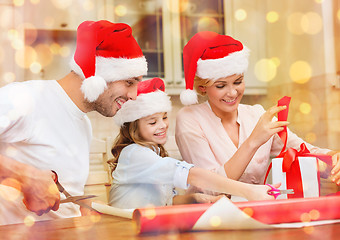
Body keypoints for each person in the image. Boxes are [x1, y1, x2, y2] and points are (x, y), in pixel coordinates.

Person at [0, 20, 148, 225]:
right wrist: (25, 177)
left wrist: (83, 212)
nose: (133, 95)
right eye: (129, 82)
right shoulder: (26, 97)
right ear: (98, 75)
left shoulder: (84, 124)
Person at [175, 31, 340, 192]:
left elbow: (302, 150)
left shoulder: (256, 114)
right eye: (221, 86)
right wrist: (253, 141)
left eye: (238, 82)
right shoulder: (190, 119)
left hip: (261, 211)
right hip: (215, 216)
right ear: (203, 87)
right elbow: (211, 188)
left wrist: (333, 157)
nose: (232, 93)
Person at [108, 77, 277, 209]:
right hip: (125, 228)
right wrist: (249, 191)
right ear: (133, 128)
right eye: (153, 122)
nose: (162, 126)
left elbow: (161, 201)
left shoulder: (154, 154)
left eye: (165, 117)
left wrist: (194, 199)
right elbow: (194, 175)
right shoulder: (134, 154)